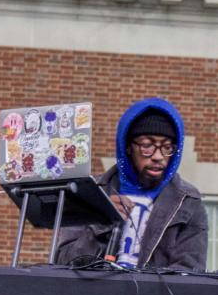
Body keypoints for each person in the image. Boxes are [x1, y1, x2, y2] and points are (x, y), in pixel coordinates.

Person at [52, 97, 207, 271]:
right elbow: (63, 262)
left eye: (167, 147)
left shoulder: (187, 200)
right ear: (127, 147)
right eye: (147, 146)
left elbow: (190, 271)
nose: (158, 156)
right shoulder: (89, 193)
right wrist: (102, 221)